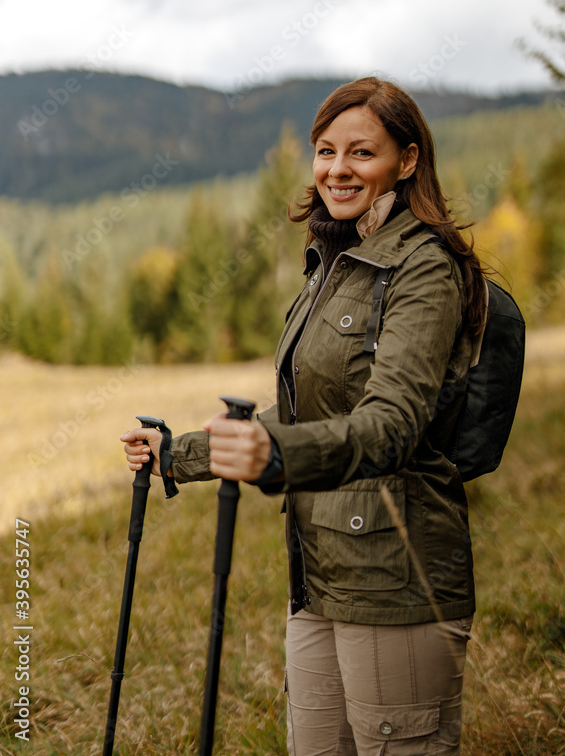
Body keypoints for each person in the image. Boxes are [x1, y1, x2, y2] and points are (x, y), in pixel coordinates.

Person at [121, 76, 488, 755]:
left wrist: (277, 457)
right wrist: (183, 454)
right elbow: (300, 410)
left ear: (406, 162)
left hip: (395, 577)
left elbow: (392, 425)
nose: (337, 169)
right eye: (325, 151)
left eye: (361, 152)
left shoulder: (421, 269)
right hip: (317, 571)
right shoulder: (333, 264)